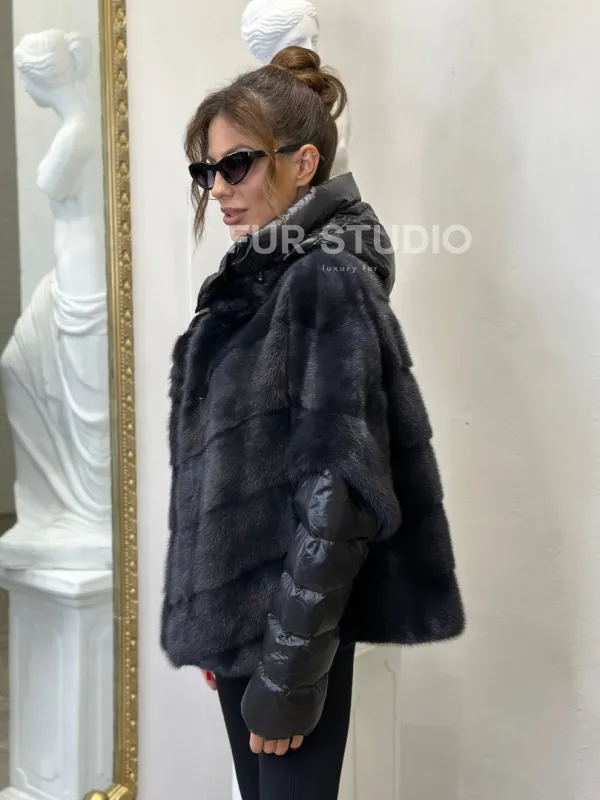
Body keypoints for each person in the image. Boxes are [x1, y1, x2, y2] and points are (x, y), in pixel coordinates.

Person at [161, 45, 465, 800]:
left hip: (292, 643)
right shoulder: (255, 283)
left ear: (304, 164)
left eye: (237, 165)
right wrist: (222, 616)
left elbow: (341, 498)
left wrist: (287, 674)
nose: (218, 189)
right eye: (207, 170)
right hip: (253, 633)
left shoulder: (324, 280)